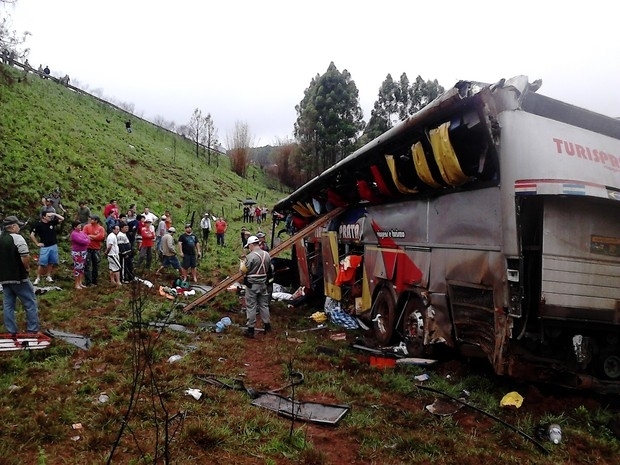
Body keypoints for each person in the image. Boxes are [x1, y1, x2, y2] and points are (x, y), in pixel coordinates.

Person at [0, 215, 40, 335]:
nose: (19, 227)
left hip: (4, 277)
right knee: (30, 302)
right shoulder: (17, 238)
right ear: (12, 227)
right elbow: (25, 256)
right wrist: (27, 268)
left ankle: (11, 331)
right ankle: (32, 330)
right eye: (17, 225)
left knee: (8, 305)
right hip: (19, 277)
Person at [240, 235, 272, 338]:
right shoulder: (267, 255)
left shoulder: (250, 257)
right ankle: (267, 326)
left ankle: (250, 330)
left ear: (251, 245)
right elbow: (269, 270)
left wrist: (242, 263)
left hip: (252, 285)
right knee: (264, 305)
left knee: (251, 306)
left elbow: (243, 271)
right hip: (263, 284)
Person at [30, 211, 64, 284]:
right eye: (48, 216)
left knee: (51, 262)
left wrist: (54, 214)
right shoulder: (38, 225)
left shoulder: (52, 222)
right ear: (43, 217)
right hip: (45, 247)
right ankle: (38, 277)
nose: (50, 217)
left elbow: (62, 218)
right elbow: (32, 235)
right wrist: (37, 243)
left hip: (53, 245)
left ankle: (48, 276)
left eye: (50, 216)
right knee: (42, 263)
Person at [83, 214, 106, 287]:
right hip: (87, 248)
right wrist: (94, 237)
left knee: (95, 266)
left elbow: (100, 237)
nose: (90, 220)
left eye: (92, 219)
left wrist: (90, 236)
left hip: (96, 249)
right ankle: (88, 282)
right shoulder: (86, 226)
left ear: (96, 220)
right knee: (87, 265)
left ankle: (94, 281)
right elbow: (84, 235)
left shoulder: (101, 228)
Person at [69, 221, 90, 289]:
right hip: (77, 252)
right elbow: (81, 241)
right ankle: (76, 284)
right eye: (78, 226)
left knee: (82, 268)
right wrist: (86, 240)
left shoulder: (82, 232)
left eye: (80, 225)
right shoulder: (74, 234)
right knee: (77, 268)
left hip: (83, 251)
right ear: (75, 227)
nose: (80, 227)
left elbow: (87, 239)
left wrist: (86, 240)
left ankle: (80, 282)